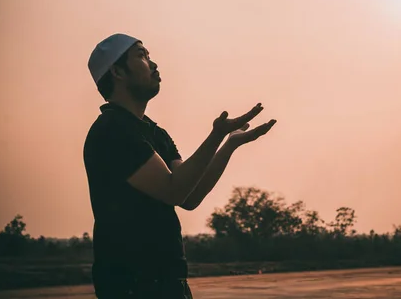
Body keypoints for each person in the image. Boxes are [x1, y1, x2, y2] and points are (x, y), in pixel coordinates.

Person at [83, 33, 276, 298]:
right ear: (116, 71)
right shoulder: (112, 130)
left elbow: (189, 194)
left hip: (169, 284)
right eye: (141, 55)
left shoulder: (154, 133)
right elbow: (173, 190)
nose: (153, 64)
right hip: (132, 286)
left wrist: (229, 144)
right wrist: (216, 135)